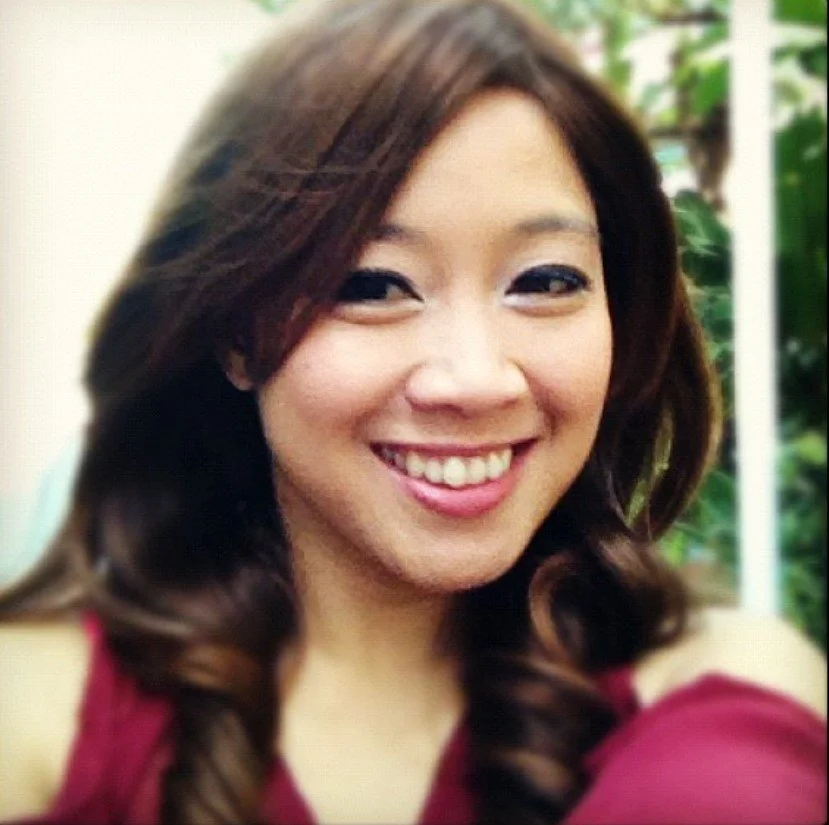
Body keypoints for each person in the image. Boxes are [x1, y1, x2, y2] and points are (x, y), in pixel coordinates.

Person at [0, 0, 825, 823]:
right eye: (370, 285)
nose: (475, 380)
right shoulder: (39, 712)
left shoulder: (728, 689)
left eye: (543, 280)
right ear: (237, 334)